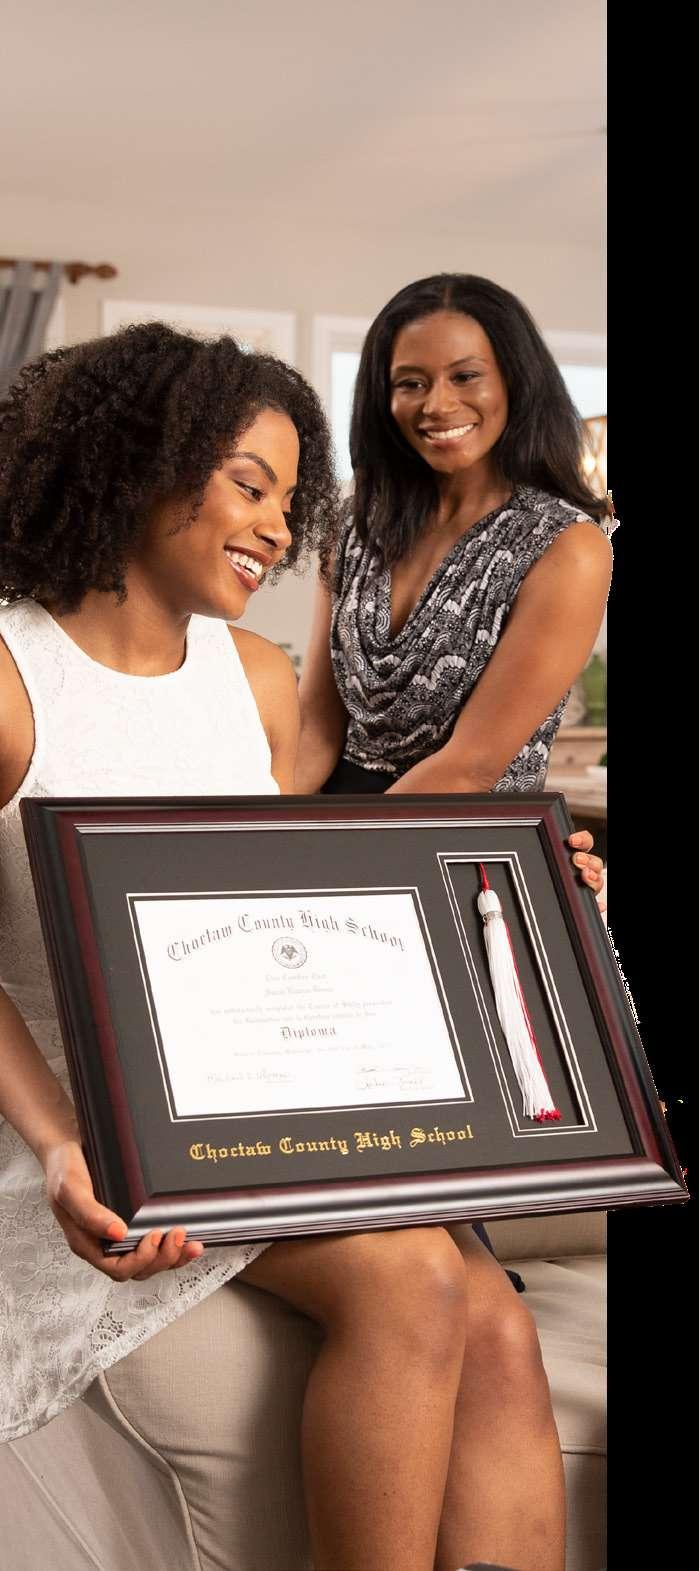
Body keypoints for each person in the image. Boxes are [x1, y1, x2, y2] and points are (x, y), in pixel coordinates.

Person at [1, 321, 584, 1571]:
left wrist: (527, 888)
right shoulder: (10, 675)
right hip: (76, 1130)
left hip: (252, 1112)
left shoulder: (258, 678)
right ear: (143, 465)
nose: (278, 528)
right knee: (418, 1281)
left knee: (498, 1324)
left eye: (289, 499)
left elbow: (309, 899)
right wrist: (60, 1145)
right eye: (249, 486)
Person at [296, 273, 611, 919]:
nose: (436, 404)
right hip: (330, 831)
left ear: (513, 381)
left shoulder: (566, 545)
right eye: (410, 382)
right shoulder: (353, 525)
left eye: (465, 376)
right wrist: (248, 839)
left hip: (464, 858)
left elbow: (471, 766)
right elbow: (316, 725)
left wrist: (328, 862)